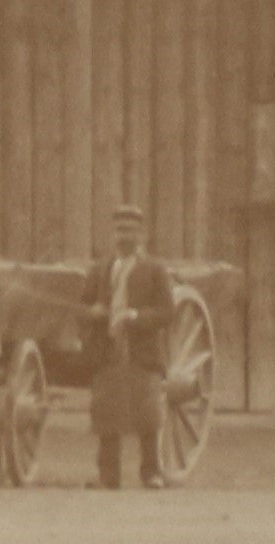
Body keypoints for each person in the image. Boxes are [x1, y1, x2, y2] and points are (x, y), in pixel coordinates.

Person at [81, 204, 174, 490]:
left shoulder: (154, 270)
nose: (125, 237)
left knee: (147, 413)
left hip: (141, 351)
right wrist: (93, 312)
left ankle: (152, 473)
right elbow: (81, 308)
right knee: (106, 413)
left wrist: (136, 316)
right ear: (112, 234)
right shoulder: (100, 270)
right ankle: (108, 475)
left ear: (142, 235)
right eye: (120, 230)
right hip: (108, 349)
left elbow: (167, 311)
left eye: (131, 231)